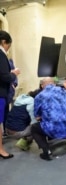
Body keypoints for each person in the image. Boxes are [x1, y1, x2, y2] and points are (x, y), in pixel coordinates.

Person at [31, 77, 66, 161]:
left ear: (42, 85)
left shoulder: (39, 96)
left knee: (34, 128)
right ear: (54, 84)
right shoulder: (62, 91)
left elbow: (37, 116)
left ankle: (47, 152)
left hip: (52, 130)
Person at [0, 30, 20, 159]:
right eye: (8, 46)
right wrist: (14, 73)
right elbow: (5, 77)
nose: (8, 49)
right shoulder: (1, 55)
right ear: (3, 42)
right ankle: (1, 150)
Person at [3, 58, 18, 137]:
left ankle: (5, 130)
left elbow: (14, 76)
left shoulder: (8, 62)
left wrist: (14, 84)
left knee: (5, 112)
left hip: (7, 92)